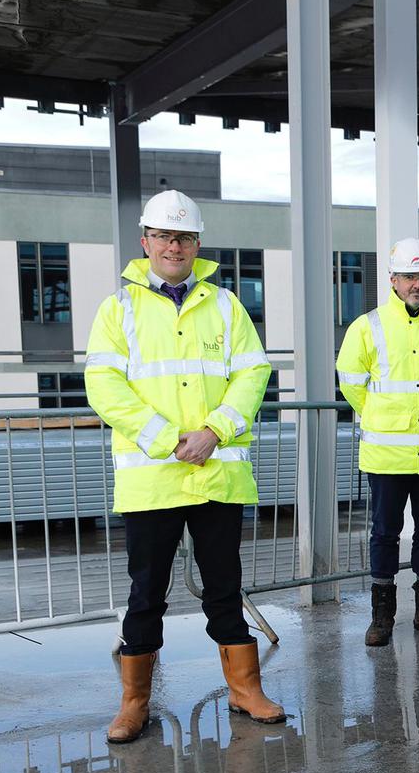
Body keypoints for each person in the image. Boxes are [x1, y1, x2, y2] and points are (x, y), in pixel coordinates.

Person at [85, 190, 282, 744]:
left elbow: (253, 372)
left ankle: (245, 691)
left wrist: (215, 430)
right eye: (166, 237)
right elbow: (104, 386)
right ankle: (134, 703)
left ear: (198, 244)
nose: (175, 246)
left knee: (225, 587)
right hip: (154, 479)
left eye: (186, 237)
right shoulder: (118, 309)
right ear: (145, 241)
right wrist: (167, 440)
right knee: (146, 594)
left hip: (216, 472)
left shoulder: (224, 304)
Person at [336, 238, 419, 647]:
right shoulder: (367, 326)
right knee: (384, 533)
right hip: (387, 453)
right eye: (410, 276)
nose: (417, 284)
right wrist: (384, 417)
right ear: (392, 279)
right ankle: (382, 615)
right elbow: (351, 384)